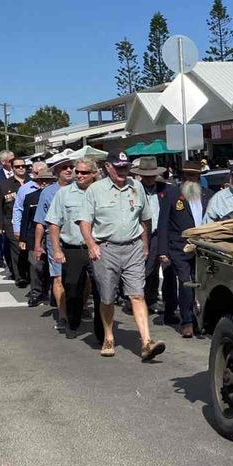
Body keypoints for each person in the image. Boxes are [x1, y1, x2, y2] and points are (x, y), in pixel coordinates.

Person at [77, 149, 165, 361]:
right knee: (107, 297)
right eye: (118, 168)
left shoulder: (137, 187)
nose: (122, 171)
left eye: (125, 167)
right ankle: (108, 336)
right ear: (108, 167)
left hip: (133, 247)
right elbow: (84, 222)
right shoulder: (95, 190)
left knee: (137, 294)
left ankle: (146, 342)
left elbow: (145, 219)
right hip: (105, 248)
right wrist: (91, 244)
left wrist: (144, 245)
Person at [46, 157, 104, 341]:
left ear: (94, 174)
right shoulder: (64, 194)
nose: (78, 175)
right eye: (77, 171)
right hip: (73, 248)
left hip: (100, 248)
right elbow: (54, 223)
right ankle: (73, 321)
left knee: (101, 289)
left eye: (84, 172)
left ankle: (101, 330)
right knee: (72, 288)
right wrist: (56, 249)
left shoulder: (102, 192)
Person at [158, 160, 213, 338]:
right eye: (188, 175)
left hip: (202, 248)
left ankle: (201, 319)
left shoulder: (207, 195)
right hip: (178, 247)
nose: (191, 178)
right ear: (183, 176)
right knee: (185, 283)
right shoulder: (172, 193)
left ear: (199, 177)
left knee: (202, 283)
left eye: (194, 175)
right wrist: (163, 251)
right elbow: (163, 223)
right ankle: (187, 321)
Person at [129, 156, 177, 321]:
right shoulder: (134, 189)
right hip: (142, 233)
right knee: (146, 269)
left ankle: (162, 303)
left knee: (166, 269)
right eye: (146, 175)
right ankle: (141, 299)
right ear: (140, 175)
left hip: (162, 233)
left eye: (152, 175)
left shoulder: (165, 189)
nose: (149, 178)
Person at [34, 157, 74, 331]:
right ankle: (63, 315)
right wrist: (37, 245)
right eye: (65, 168)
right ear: (57, 172)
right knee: (58, 277)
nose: (69, 170)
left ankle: (80, 307)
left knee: (84, 278)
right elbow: (40, 222)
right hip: (55, 239)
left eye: (71, 167)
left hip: (78, 238)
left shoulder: (82, 190)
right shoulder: (48, 192)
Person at [19, 168, 55, 307]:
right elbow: (25, 220)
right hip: (34, 235)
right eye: (42, 180)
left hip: (52, 235)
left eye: (48, 181)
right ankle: (36, 293)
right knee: (35, 266)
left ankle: (50, 293)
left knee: (52, 267)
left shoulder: (57, 195)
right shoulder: (31, 197)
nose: (45, 183)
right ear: (38, 182)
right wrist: (23, 239)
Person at [0, 156, 30, 286]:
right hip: (11, 221)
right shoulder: (5, 184)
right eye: (17, 166)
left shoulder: (32, 182)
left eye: (23, 166)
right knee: (16, 248)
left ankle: (30, 273)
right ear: (12, 168)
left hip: (29, 221)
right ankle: (19, 276)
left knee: (29, 249)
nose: (21, 168)